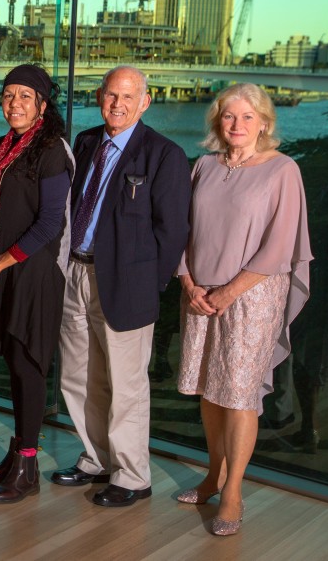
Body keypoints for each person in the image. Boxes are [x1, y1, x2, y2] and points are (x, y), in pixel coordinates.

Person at [51, 65, 191, 508]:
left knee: (126, 385)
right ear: (100, 97)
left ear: (145, 102)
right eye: (112, 95)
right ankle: (96, 458)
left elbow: (173, 232)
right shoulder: (87, 142)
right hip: (76, 273)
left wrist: (148, 286)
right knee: (78, 377)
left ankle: (132, 475)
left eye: (128, 97)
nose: (118, 104)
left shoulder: (164, 155)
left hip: (126, 284)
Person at [175, 83, 312, 535]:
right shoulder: (205, 166)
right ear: (218, 121)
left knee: (238, 395)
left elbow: (279, 247)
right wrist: (189, 282)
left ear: (265, 123)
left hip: (251, 296)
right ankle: (213, 474)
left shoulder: (282, 170)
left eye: (247, 117)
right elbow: (184, 231)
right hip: (200, 293)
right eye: (229, 116)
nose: (237, 124)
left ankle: (233, 490)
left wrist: (229, 292)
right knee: (209, 391)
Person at [0, 65, 73, 501]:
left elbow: (49, 224)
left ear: (43, 104)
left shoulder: (50, 152)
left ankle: (28, 467)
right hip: (2, 270)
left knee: (28, 366)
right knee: (13, 362)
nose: (15, 104)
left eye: (25, 96)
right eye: (8, 96)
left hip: (33, 273)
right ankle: (16, 455)